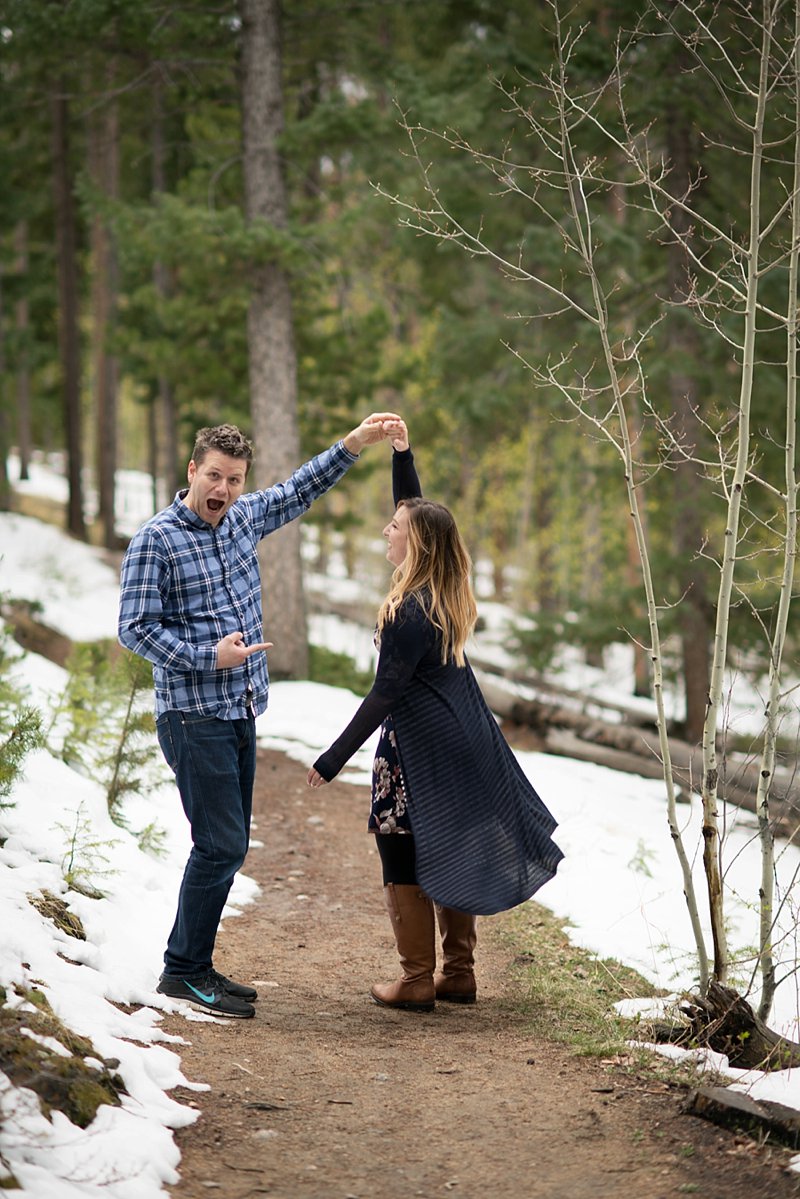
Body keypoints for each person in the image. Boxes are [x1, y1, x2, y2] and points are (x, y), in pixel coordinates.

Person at [119, 414, 403, 1019]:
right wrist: (208, 657)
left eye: (235, 480)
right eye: (214, 476)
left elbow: (300, 489)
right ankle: (183, 970)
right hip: (193, 715)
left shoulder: (244, 518)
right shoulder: (157, 539)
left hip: (241, 708)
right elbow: (134, 629)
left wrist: (353, 443)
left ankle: (196, 961)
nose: (223, 490)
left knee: (228, 844)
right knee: (219, 844)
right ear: (192, 471)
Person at [307, 424, 564, 1012]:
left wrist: (332, 757)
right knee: (451, 842)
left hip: (420, 744)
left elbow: (384, 695)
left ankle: (417, 978)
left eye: (393, 528)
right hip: (469, 734)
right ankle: (459, 972)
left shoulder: (406, 611)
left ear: (415, 544)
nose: (385, 529)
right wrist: (402, 455)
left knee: (400, 850)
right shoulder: (445, 591)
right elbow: (418, 512)